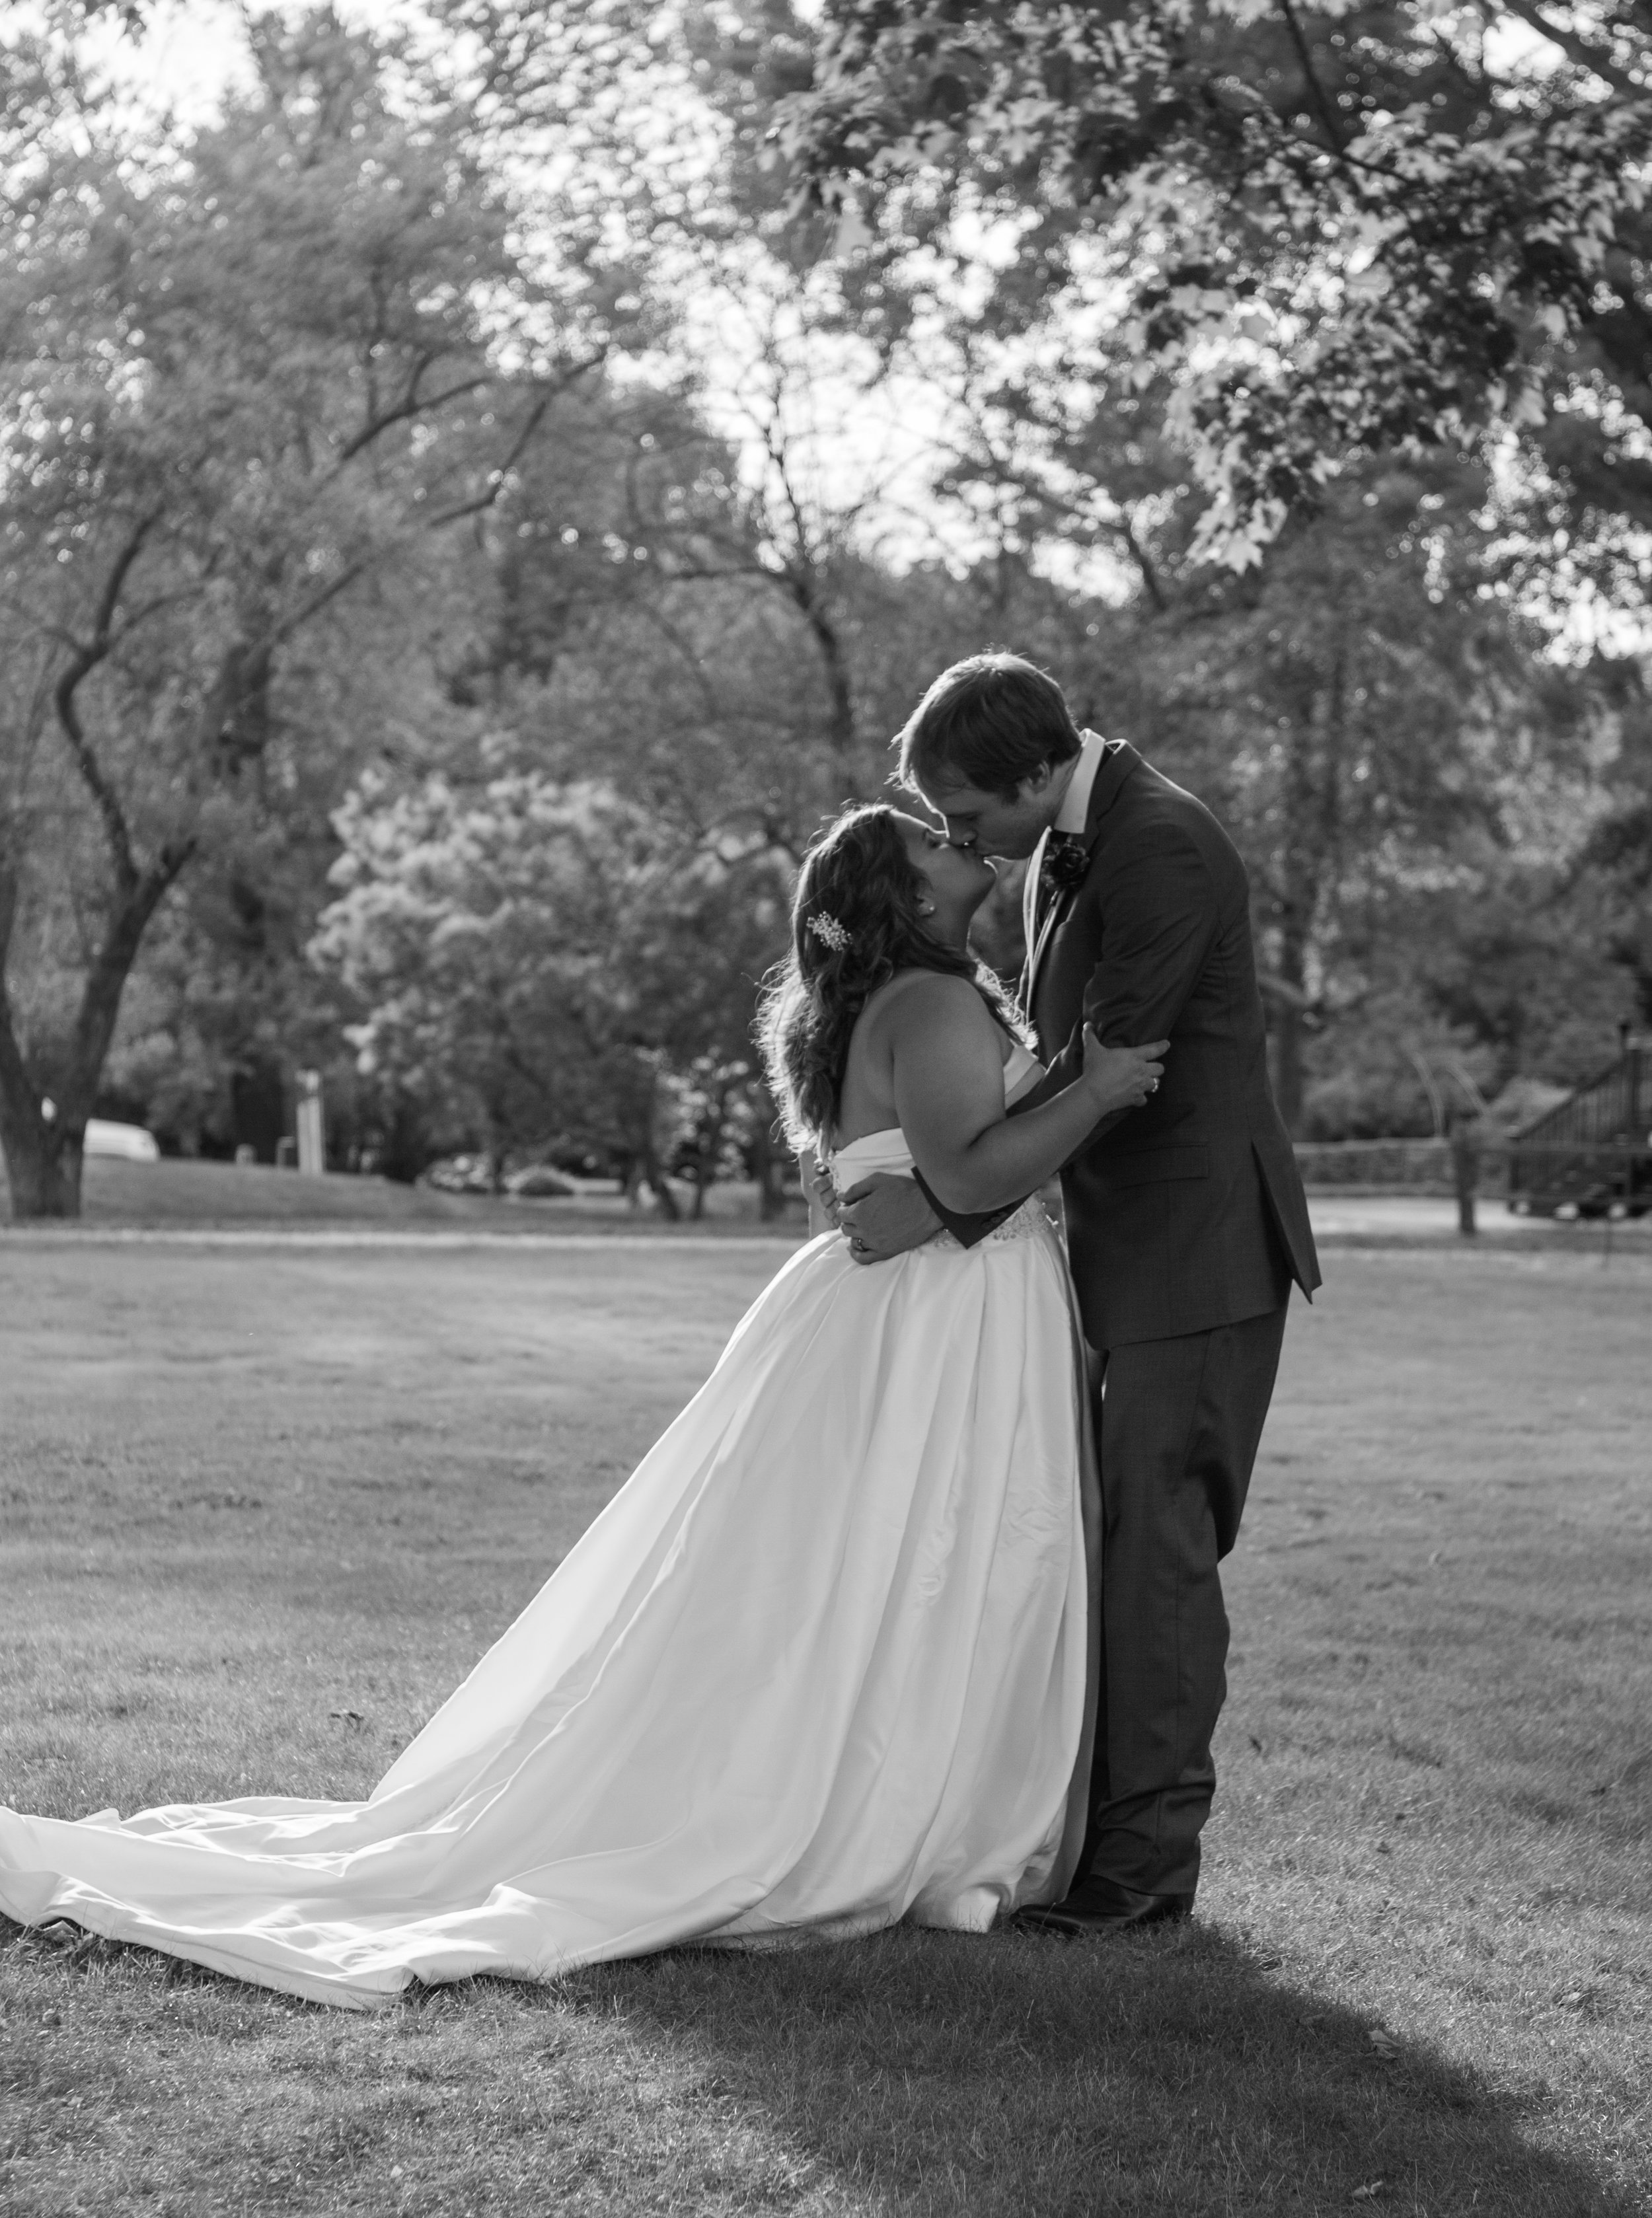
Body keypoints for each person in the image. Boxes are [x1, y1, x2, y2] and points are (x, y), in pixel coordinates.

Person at [0, 803, 1164, 2011]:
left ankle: (895, 1784)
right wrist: (1096, 1092)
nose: (957, 840)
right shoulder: (929, 1003)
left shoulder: (898, 998)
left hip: (912, 1313)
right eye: (930, 838)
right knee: (924, 1554)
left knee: (876, 1565)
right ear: (907, 897)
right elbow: (965, 1177)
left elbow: (895, 1184)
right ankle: (892, 1806)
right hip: (941, 1322)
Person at [837, 654, 1320, 1935]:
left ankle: (1139, 1885)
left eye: (965, 812)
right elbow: (1065, 1065)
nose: (958, 841)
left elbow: (1121, 1065)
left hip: (1196, 1254)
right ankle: (1087, 1848)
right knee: (1116, 1549)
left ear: (1034, 770)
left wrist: (945, 1202)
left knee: (1156, 1558)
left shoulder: (1155, 843)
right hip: (1121, 1255)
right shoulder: (1071, 833)